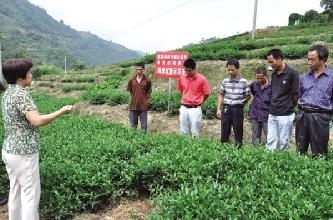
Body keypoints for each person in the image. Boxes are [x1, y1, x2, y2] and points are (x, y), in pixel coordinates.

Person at [1, 58, 73, 220]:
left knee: (16, 191)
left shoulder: (8, 93)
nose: (31, 75)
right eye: (29, 72)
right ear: (20, 77)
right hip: (23, 153)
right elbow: (37, 120)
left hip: (10, 150)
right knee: (31, 195)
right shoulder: (21, 95)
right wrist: (61, 111)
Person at [296, 44, 333, 157]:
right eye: (308, 59)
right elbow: (300, 95)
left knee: (320, 152)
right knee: (300, 149)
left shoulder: (331, 77)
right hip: (302, 115)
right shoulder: (303, 77)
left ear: (323, 60)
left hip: (320, 117)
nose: (309, 62)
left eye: (312, 59)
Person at [266, 49, 299, 151]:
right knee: (270, 140)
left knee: (284, 142)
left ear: (279, 59)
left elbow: (296, 94)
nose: (270, 64)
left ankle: (283, 164)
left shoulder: (292, 74)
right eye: (269, 62)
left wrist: (289, 105)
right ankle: (268, 163)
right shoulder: (274, 74)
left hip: (285, 114)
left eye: (272, 61)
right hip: (272, 113)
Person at [217, 58, 251, 147]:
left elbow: (247, 96)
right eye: (228, 70)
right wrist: (218, 108)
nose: (230, 72)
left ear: (238, 68)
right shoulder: (225, 81)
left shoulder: (244, 82)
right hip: (226, 108)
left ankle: (238, 150)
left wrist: (241, 104)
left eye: (232, 69)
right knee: (224, 130)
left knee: (238, 131)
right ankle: (223, 149)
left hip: (238, 108)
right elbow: (221, 94)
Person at [177, 58, 211, 137]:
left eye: (189, 70)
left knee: (195, 132)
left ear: (194, 69)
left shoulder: (202, 79)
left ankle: (194, 149)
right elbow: (182, 91)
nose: (187, 72)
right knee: (183, 131)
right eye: (185, 70)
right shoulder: (182, 78)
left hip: (195, 109)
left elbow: (207, 93)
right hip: (184, 107)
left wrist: (201, 101)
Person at [248, 66, 272, 146]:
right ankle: (256, 153)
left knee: (269, 137)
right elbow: (253, 93)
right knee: (255, 137)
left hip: (267, 115)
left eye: (261, 78)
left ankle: (268, 155)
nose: (258, 80)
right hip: (255, 114)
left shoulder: (272, 86)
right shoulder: (254, 84)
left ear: (266, 76)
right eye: (257, 78)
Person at [127, 62, 152, 132]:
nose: (138, 71)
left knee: (144, 128)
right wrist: (135, 98)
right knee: (133, 128)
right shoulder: (131, 80)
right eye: (137, 69)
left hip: (143, 107)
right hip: (133, 107)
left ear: (143, 69)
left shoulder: (147, 80)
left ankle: (143, 142)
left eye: (140, 69)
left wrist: (144, 100)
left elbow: (149, 92)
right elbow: (131, 92)